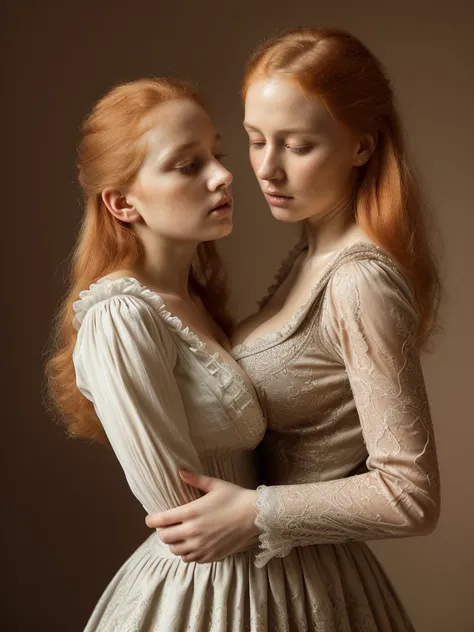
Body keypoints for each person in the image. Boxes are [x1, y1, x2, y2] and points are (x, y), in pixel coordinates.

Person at [146, 28, 441, 631]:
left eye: (298, 146)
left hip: (308, 587)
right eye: (255, 141)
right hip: (263, 581)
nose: (267, 170)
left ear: (361, 147)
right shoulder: (308, 258)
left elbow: (411, 496)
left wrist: (257, 511)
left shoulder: (359, 281)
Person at [46, 77, 327, 631]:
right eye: (187, 165)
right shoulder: (121, 317)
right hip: (216, 593)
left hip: (272, 574)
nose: (224, 176)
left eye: (217, 156)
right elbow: (186, 518)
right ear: (123, 203)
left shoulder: (191, 302)